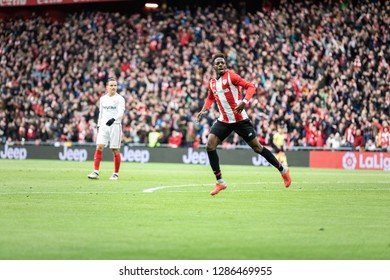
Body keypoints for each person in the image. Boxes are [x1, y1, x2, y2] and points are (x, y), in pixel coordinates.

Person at [196, 53, 291, 195]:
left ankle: (283, 170)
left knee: (257, 148)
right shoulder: (212, 83)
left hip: (240, 119)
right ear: (214, 66)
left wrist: (244, 102)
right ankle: (220, 182)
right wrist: (204, 110)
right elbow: (210, 97)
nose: (221, 65)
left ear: (225, 64)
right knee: (210, 145)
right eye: (218, 63)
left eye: (223, 62)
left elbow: (251, 87)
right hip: (224, 120)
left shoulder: (232, 76)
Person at [88, 77, 125, 180]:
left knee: (115, 149)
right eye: (111, 85)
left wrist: (113, 119)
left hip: (115, 125)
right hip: (104, 126)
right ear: (107, 87)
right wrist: (99, 125)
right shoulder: (103, 99)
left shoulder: (120, 99)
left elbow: (121, 112)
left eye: (115, 85)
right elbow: (101, 113)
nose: (113, 87)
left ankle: (115, 174)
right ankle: (95, 172)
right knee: (99, 146)